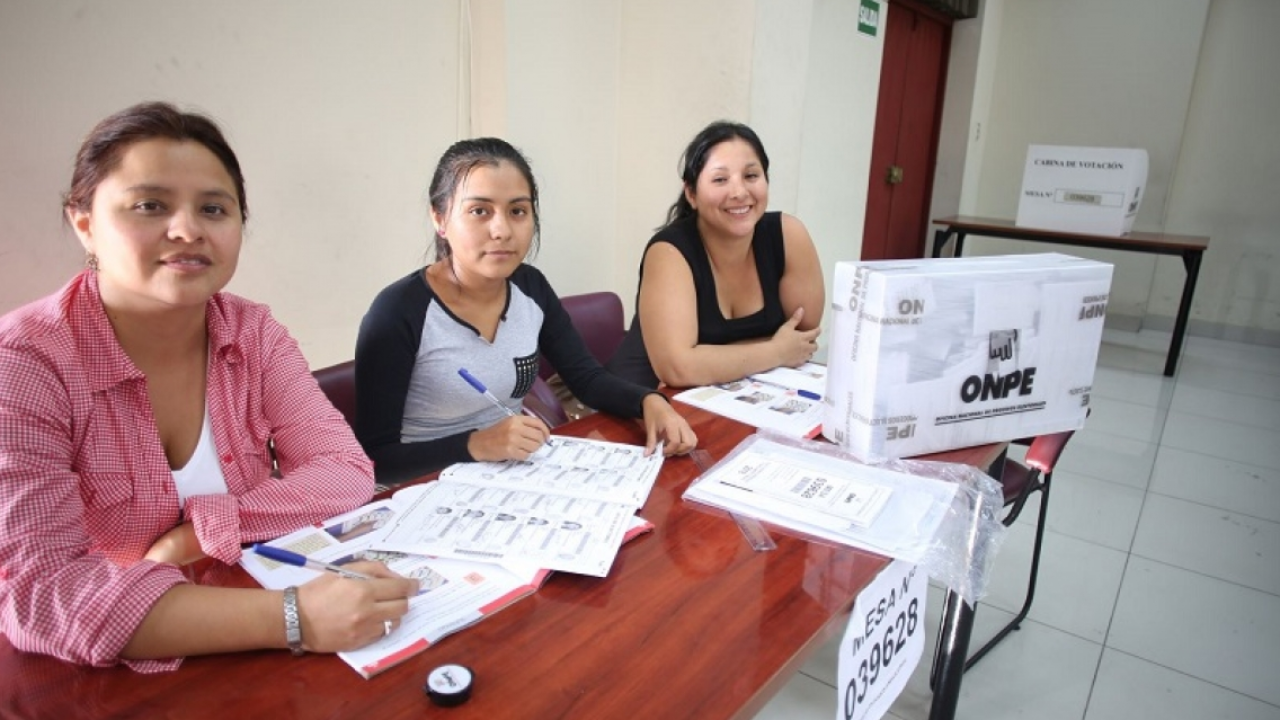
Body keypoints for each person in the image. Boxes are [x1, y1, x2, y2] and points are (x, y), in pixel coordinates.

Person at [0, 102, 418, 670]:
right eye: (150, 205)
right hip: (105, 671)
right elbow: (43, 593)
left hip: (248, 617)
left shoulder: (253, 332)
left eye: (214, 208)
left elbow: (343, 471)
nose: (187, 230)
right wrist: (294, 618)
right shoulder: (24, 362)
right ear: (84, 222)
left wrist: (196, 537)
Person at [355, 138, 698, 485]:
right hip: (420, 493)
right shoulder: (399, 312)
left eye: (517, 211)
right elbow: (376, 459)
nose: (502, 230)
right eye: (479, 211)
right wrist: (475, 444)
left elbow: (587, 380)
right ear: (440, 217)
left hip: (510, 480)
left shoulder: (530, 287)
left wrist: (649, 402)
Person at [607, 121, 825, 389]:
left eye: (751, 176)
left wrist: (709, 358)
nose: (739, 192)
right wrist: (775, 352)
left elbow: (802, 339)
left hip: (733, 397)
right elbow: (678, 368)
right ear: (692, 194)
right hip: (641, 402)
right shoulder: (669, 252)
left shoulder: (788, 234)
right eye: (720, 179)